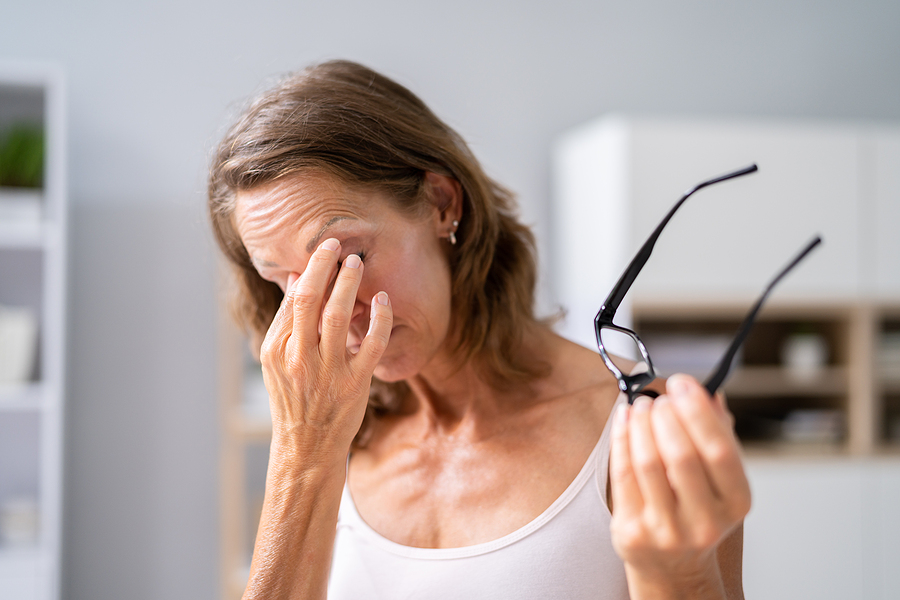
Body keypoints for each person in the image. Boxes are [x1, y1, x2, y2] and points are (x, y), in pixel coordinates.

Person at [208, 60, 751, 600]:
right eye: (285, 282)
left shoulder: (637, 428)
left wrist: (678, 578)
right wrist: (304, 455)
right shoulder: (331, 438)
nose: (326, 314)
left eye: (346, 259)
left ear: (443, 204)